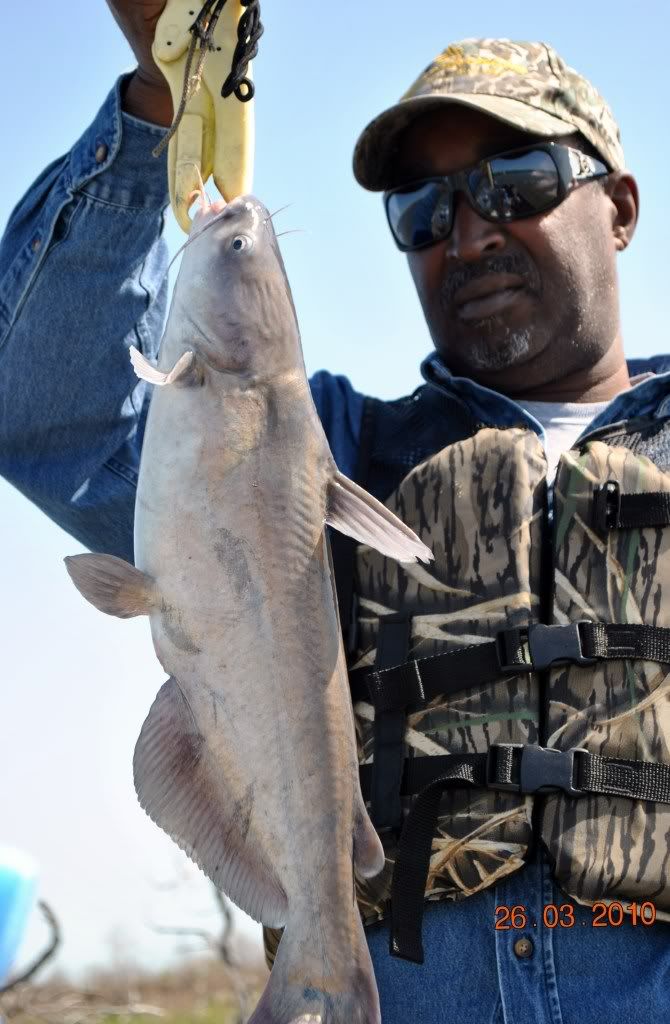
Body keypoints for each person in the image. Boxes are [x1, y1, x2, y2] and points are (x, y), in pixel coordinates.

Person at [1, 6, 669, 1021]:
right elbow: (49, 401)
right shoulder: (301, 454)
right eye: (423, 210)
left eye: (515, 180)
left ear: (618, 206)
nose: (471, 229)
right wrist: (161, 102)